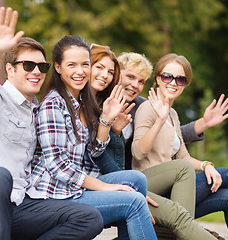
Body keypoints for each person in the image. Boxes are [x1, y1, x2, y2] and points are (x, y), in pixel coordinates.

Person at [0, 8, 103, 240]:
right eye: (28, 65)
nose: (37, 72)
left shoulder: (37, 111)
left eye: (42, 67)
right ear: (10, 69)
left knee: (90, 218)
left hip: (18, 204)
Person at [131, 53, 228, 240]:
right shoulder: (147, 109)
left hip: (175, 190)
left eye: (180, 79)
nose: (173, 83)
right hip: (153, 191)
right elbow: (138, 152)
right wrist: (159, 120)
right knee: (225, 173)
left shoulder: (173, 114)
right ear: (157, 78)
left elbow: (183, 155)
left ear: (185, 84)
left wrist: (205, 165)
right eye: (167, 76)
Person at [29, 35, 157, 240]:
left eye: (85, 65)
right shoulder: (54, 104)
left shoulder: (80, 101)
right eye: (72, 65)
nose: (80, 71)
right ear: (58, 67)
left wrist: (106, 120)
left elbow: (92, 152)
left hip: (72, 188)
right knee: (133, 201)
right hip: (54, 195)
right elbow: (57, 164)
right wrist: (107, 187)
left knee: (137, 179)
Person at [92, 50, 220, 240]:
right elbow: (101, 154)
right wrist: (113, 129)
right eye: (129, 77)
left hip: (131, 180)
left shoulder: (141, 105)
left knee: (226, 194)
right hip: (114, 182)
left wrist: (204, 156)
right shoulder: (101, 105)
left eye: (141, 81)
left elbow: (171, 140)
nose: (135, 85)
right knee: (182, 205)